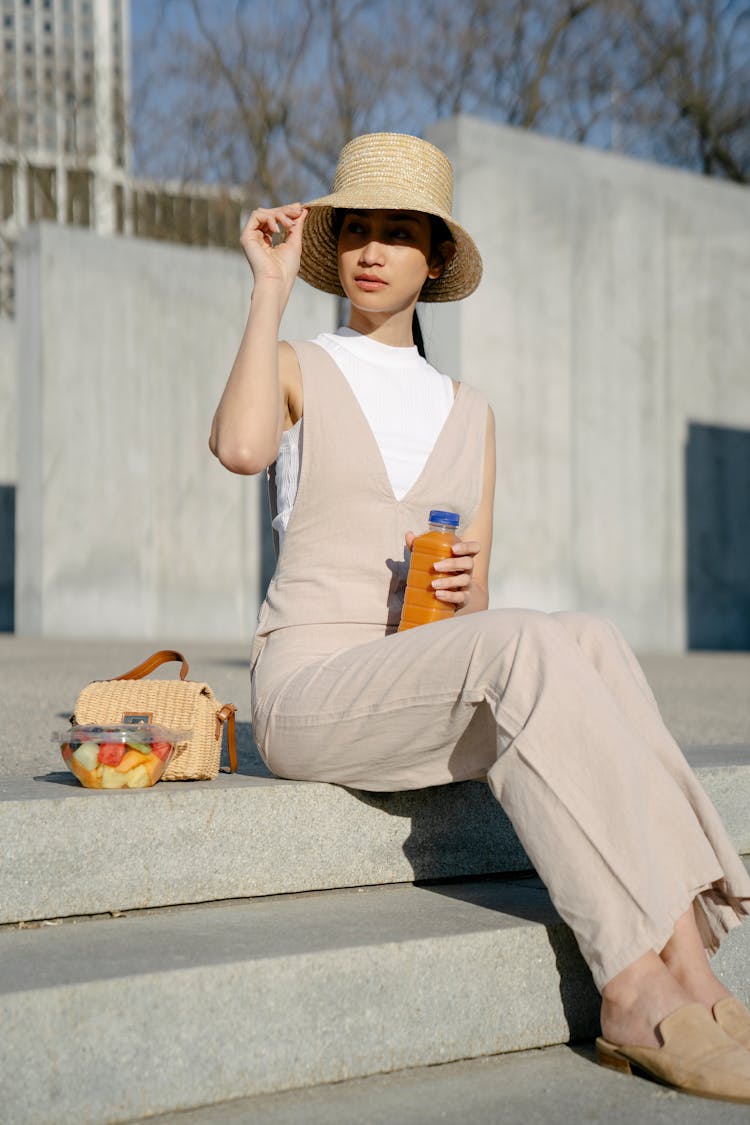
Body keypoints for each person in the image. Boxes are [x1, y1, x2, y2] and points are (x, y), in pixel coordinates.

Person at [210, 132, 750, 1101]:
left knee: (588, 636)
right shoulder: (299, 364)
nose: (373, 250)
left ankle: (698, 973)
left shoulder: (470, 411)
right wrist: (268, 288)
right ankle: (631, 987)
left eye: (398, 233)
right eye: (358, 231)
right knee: (537, 644)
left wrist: (464, 600)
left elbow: (489, 624)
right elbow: (241, 447)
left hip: (411, 682)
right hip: (310, 690)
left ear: (435, 260)